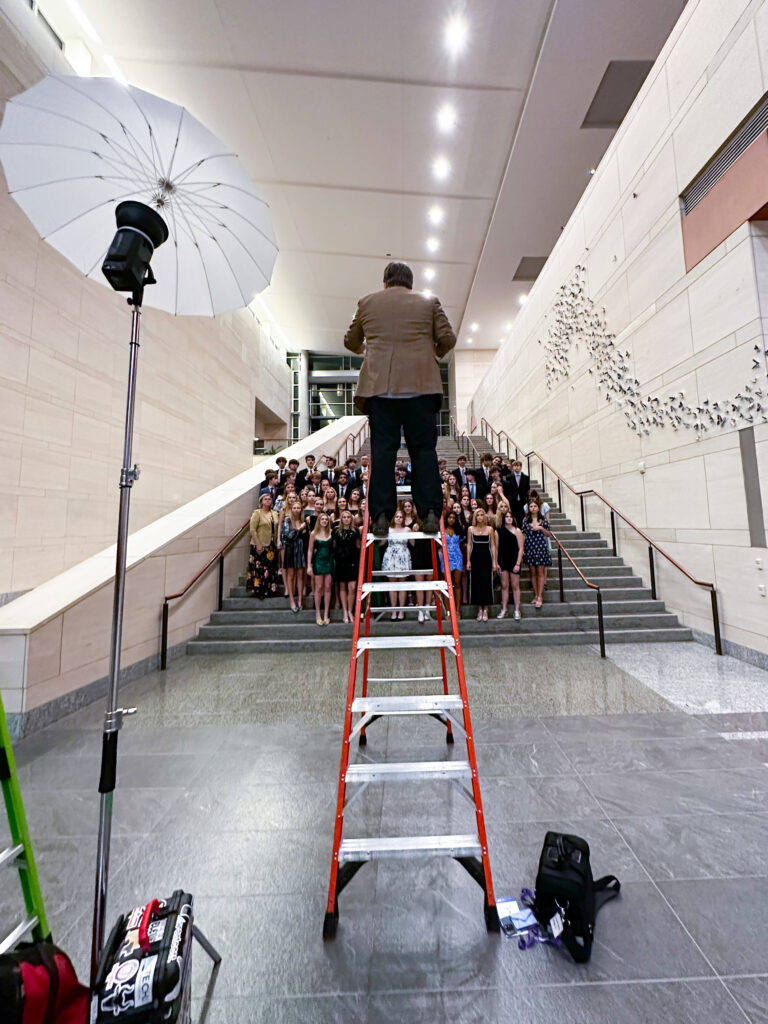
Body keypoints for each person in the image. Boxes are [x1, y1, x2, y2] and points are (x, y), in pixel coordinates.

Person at [344, 261, 456, 537]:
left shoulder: (367, 302)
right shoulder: (429, 302)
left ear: (385, 282)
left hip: (381, 390)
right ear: (411, 282)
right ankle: (429, 512)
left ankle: (381, 517)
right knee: (424, 451)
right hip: (421, 387)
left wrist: (366, 348)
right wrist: (432, 353)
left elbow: (350, 340)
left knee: (382, 453)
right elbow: (448, 338)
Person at [380, 509, 412, 619]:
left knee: (402, 585)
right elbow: (382, 543)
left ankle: (401, 611)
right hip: (390, 557)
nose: (398, 519)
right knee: (392, 585)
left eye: (401, 517)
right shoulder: (389, 529)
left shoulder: (407, 530)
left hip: (403, 555)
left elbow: (413, 543)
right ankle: (394, 610)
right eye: (397, 516)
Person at [247, 493, 280, 599]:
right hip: (260, 544)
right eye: (265, 499)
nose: (268, 500)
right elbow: (252, 529)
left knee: (270, 568)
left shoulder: (275, 513)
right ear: (261, 501)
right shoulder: (257, 513)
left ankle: (270, 589)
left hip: (271, 545)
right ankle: (260, 590)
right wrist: (258, 544)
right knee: (260, 568)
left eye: (269, 499)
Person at [466, 507, 497, 622]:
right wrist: (468, 560)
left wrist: (494, 561)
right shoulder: (470, 529)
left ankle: (486, 609)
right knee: (476, 583)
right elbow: (469, 545)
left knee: (486, 582)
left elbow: (493, 545)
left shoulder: (490, 529)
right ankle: (480, 609)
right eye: (478, 515)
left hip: (487, 558)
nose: (480, 517)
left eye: (482, 515)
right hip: (475, 558)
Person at [522, 498, 552, 609]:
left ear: (538, 508)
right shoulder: (525, 520)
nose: (533, 508)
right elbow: (523, 535)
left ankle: (540, 596)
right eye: (531, 506)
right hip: (530, 547)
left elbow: (548, 534)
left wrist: (541, 528)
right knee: (532, 572)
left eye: (535, 506)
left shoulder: (543, 520)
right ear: (528, 508)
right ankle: (535, 594)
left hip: (540, 547)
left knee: (540, 571)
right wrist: (523, 549)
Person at [279, 499, 307, 613]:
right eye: (294, 508)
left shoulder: (304, 520)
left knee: (300, 575)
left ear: (301, 510)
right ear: (291, 509)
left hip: (300, 549)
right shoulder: (287, 520)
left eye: (298, 508)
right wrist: (300, 529)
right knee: (291, 575)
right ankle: (292, 600)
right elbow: (288, 536)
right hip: (290, 548)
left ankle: (300, 600)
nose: (296, 510)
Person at [333, 510, 361, 624]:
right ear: (341, 518)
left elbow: (358, 546)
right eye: (344, 517)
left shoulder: (355, 531)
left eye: (348, 517)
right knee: (342, 587)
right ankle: (345, 611)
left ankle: (350, 610)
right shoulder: (336, 531)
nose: (346, 519)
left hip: (352, 561)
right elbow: (334, 545)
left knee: (352, 587)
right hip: (340, 561)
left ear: (351, 519)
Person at [496, 512, 524, 620]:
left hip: (514, 560)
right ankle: (504, 609)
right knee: (504, 585)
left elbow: (521, 548)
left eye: (510, 517)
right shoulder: (498, 531)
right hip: (503, 560)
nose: (509, 518)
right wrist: (497, 562)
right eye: (507, 517)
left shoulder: (517, 531)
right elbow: (496, 547)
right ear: (503, 519)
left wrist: (518, 563)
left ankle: (517, 610)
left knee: (515, 585)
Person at [308, 512, 334, 626]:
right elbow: (309, 550)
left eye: (326, 519)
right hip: (318, 561)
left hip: (329, 561)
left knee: (328, 587)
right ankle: (318, 613)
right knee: (318, 587)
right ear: (319, 520)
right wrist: (309, 565)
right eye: (322, 519)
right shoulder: (314, 533)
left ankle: (326, 613)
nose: (324, 521)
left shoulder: (331, 532)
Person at [439, 511, 464, 612]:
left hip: (457, 557)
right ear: (446, 519)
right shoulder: (442, 530)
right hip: (445, 558)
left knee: (457, 584)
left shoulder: (458, 530)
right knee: (447, 585)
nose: (452, 520)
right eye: (450, 517)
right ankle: (448, 611)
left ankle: (457, 610)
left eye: (454, 518)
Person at [503, 459, 530, 526]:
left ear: (520, 467)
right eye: (515, 466)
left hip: (522, 500)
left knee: (522, 517)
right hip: (513, 500)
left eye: (518, 466)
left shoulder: (526, 477)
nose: (516, 467)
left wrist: (526, 498)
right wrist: (510, 498)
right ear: (512, 467)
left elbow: (527, 488)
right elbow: (508, 489)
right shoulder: (509, 477)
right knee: (513, 516)